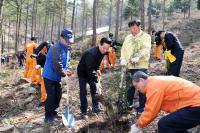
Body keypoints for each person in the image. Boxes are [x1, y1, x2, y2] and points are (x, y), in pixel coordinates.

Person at [130, 71, 200, 133]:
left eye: (136, 86)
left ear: (141, 80)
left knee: (164, 124)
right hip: (192, 105)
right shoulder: (155, 82)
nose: (137, 89)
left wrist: (137, 125)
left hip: (196, 106)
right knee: (175, 125)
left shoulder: (153, 86)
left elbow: (151, 111)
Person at [42, 28, 73, 124]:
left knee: (58, 95)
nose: (69, 42)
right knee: (51, 96)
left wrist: (67, 68)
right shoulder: (56, 48)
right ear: (61, 38)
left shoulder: (67, 48)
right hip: (49, 76)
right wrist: (64, 73)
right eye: (67, 40)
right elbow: (57, 64)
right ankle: (48, 117)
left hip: (57, 76)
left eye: (70, 40)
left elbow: (66, 61)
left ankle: (54, 112)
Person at [120, 20, 151, 112]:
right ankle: (128, 105)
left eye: (134, 28)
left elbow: (146, 48)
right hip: (130, 66)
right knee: (130, 87)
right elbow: (123, 50)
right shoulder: (128, 38)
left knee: (142, 86)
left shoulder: (146, 37)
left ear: (139, 26)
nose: (132, 30)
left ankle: (142, 107)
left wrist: (138, 57)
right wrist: (123, 59)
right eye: (130, 28)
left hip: (141, 65)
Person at [77, 37, 111, 119]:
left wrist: (97, 69)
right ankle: (83, 111)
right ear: (99, 44)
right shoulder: (91, 53)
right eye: (104, 48)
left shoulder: (103, 52)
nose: (105, 50)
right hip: (83, 72)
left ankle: (96, 107)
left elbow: (96, 63)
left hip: (91, 70)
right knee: (83, 91)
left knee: (94, 89)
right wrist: (95, 79)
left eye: (107, 48)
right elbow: (89, 69)